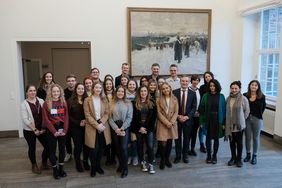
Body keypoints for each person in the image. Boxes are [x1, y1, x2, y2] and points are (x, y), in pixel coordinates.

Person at [83, 82, 111, 177]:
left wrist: (101, 123)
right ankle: (93, 167)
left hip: (103, 126)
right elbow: (87, 115)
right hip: (92, 126)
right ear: (93, 88)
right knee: (93, 149)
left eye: (100, 88)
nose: (98, 89)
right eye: (96, 87)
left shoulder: (104, 99)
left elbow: (107, 113)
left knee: (100, 149)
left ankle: (98, 166)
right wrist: (96, 125)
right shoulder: (87, 100)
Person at [42, 84, 69, 179]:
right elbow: (46, 120)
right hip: (51, 129)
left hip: (62, 128)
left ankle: (61, 168)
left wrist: (65, 130)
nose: (56, 93)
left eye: (58, 91)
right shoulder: (46, 103)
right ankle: (55, 170)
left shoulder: (63, 102)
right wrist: (54, 131)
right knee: (52, 150)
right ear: (50, 92)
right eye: (54, 91)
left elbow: (66, 117)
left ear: (60, 92)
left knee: (62, 149)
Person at [21, 85, 49, 174]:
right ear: (26, 92)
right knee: (32, 148)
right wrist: (34, 129)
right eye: (30, 91)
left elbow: (46, 115)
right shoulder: (24, 104)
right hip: (29, 130)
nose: (33, 92)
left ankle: (44, 162)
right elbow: (25, 119)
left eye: (34, 90)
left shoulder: (41, 101)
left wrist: (44, 128)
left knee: (48, 146)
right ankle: (34, 165)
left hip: (42, 129)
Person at [131, 86, 157, 174]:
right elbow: (133, 118)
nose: (143, 93)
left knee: (150, 146)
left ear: (147, 92)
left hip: (148, 129)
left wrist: (146, 128)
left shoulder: (152, 103)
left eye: (145, 91)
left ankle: (150, 163)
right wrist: (139, 128)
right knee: (140, 146)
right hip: (138, 128)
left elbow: (154, 118)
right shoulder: (134, 103)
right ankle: (142, 162)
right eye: (141, 91)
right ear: (139, 93)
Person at [109, 86, 133, 178]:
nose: (120, 93)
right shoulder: (111, 103)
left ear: (124, 93)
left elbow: (129, 117)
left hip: (124, 127)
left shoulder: (128, 103)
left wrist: (122, 128)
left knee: (123, 148)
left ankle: (125, 168)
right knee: (117, 148)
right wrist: (116, 129)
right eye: (118, 91)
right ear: (116, 92)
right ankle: (121, 165)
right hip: (115, 127)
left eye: (122, 91)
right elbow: (109, 118)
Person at [199, 79, 226, 164]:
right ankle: (209, 156)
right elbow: (201, 110)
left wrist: (224, 123)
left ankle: (214, 156)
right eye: (210, 86)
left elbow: (224, 110)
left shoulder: (221, 96)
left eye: (214, 86)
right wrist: (201, 122)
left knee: (216, 139)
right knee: (208, 138)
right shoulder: (205, 96)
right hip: (208, 120)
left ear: (217, 86)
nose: (212, 87)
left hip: (218, 120)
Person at [225, 81, 250, 168]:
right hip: (230, 125)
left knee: (239, 143)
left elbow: (247, 112)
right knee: (232, 142)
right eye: (232, 88)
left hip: (239, 126)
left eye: (236, 88)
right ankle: (233, 158)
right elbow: (226, 112)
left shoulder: (243, 98)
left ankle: (239, 159)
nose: (234, 90)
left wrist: (241, 120)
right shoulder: (228, 98)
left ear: (239, 89)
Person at [173, 75, 197, 164]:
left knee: (187, 138)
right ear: (180, 82)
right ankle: (178, 156)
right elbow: (172, 107)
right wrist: (178, 116)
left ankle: (185, 155)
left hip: (188, 120)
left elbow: (194, 108)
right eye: (183, 81)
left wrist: (187, 117)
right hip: (177, 119)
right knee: (177, 139)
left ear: (189, 82)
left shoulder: (193, 93)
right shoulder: (174, 92)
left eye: (186, 81)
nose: (184, 83)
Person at [156, 83, 178, 170]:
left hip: (171, 124)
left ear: (170, 88)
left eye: (167, 88)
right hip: (162, 123)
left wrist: (171, 122)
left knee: (169, 142)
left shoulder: (175, 99)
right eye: (163, 89)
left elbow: (176, 112)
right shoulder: (158, 99)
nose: (166, 90)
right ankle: (162, 160)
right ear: (161, 90)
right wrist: (166, 122)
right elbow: (158, 113)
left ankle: (167, 160)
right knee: (163, 143)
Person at [243, 80, 266, 165]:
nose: (253, 86)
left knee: (256, 138)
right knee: (247, 137)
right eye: (252, 85)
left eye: (256, 85)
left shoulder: (262, 96)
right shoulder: (245, 95)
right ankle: (248, 154)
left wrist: (257, 116)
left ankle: (254, 156)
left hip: (257, 119)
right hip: (247, 119)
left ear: (258, 87)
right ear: (249, 86)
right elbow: (243, 107)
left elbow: (263, 108)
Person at [67, 83, 88, 172]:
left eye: (82, 89)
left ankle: (86, 162)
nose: (80, 90)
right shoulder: (70, 101)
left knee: (86, 145)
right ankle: (78, 163)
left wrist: (85, 121)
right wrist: (78, 123)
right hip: (75, 127)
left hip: (87, 126)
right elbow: (68, 116)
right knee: (78, 146)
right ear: (76, 90)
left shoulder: (87, 100)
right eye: (79, 88)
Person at [198, 71, 214, 153]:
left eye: (209, 76)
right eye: (206, 77)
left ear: (212, 76)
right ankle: (201, 144)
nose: (207, 78)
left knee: (209, 129)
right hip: (203, 110)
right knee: (202, 127)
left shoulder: (215, 85)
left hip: (212, 112)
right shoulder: (202, 87)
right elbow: (200, 100)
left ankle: (209, 144)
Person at [64, 74, 77, 162]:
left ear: (75, 82)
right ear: (66, 83)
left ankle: (78, 153)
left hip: (76, 119)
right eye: (69, 81)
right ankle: (69, 153)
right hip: (66, 119)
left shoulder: (79, 91)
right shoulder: (63, 92)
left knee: (77, 138)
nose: (71, 82)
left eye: (72, 81)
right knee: (67, 138)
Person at [103, 78, 116, 165]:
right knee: (107, 140)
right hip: (106, 121)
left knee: (114, 141)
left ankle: (113, 158)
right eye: (107, 84)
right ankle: (108, 158)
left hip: (115, 120)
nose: (108, 85)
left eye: (110, 84)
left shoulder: (116, 94)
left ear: (112, 84)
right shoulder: (102, 95)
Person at [126, 79, 139, 166]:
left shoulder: (138, 95)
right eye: (130, 84)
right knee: (127, 141)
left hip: (135, 120)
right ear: (127, 85)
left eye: (133, 84)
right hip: (126, 120)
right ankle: (129, 156)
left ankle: (135, 156)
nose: (132, 86)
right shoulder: (124, 94)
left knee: (134, 140)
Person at [188, 74, 201, 156]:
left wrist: (198, 112)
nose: (195, 81)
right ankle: (186, 149)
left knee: (194, 133)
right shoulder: (188, 90)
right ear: (191, 81)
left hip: (197, 115)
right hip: (189, 115)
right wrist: (191, 113)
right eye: (194, 80)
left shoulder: (199, 90)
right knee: (188, 133)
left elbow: (200, 103)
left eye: (197, 80)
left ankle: (192, 149)